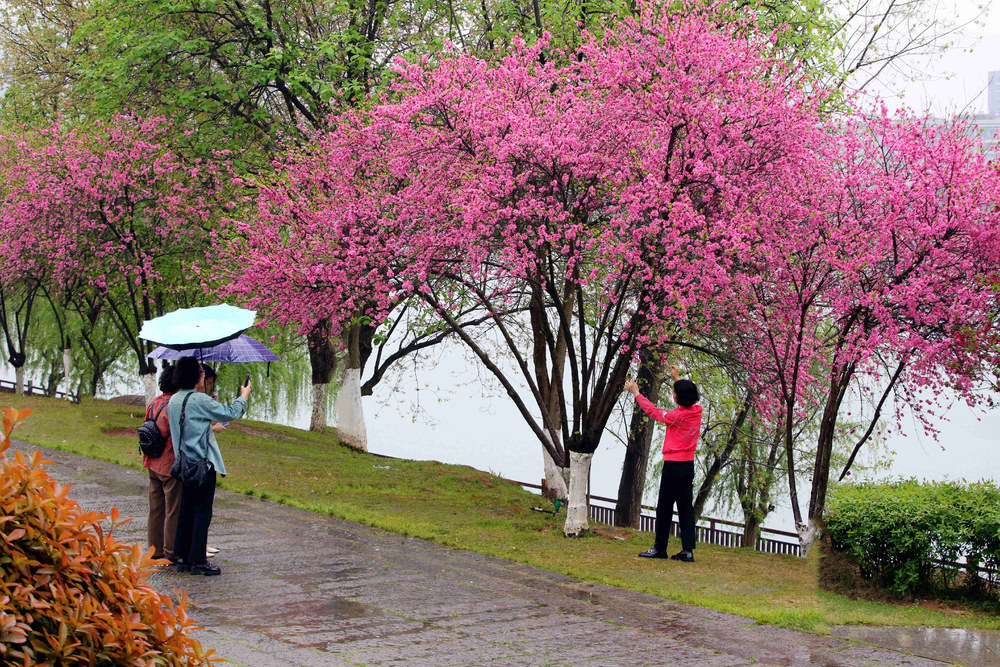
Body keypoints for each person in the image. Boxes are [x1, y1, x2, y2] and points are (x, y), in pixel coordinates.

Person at [168, 356, 251, 576]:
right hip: (202, 464)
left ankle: (183, 558)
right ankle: (198, 561)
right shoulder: (200, 400)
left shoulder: (174, 400)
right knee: (202, 512)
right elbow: (230, 413)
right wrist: (243, 397)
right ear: (194, 376)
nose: (204, 374)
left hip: (183, 464)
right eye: (201, 372)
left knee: (186, 511)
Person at [624, 364, 702, 562]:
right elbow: (685, 396)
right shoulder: (696, 411)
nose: (673, 395)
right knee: (685, 508)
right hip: (688, 466)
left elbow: (653, 411)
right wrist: (676, 378)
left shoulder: (676, 417)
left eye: (675, 393)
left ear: (678, 398)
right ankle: (687, 550)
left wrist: (637, 393)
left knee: (665, 507)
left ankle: (660, 549)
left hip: (673, 466)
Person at [143, 362, 180, 564]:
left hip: (152, 461)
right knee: (173, 509)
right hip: (168, 464)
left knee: (156, 509)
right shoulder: (174, 405)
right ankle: (171, 551)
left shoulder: (155, 402)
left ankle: (154, 550)